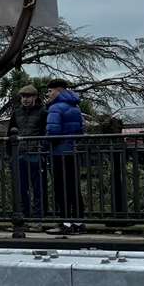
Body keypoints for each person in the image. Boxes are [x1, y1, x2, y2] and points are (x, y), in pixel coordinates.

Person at [45, 78, 85, 233]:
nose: (48, 94)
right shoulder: (75, 107)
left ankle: (65, 223)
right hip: (73, 151)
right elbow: (80, 129)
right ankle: (79, 222)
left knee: (61, 188)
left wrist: (46, 144)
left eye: (50, 91)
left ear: (58, 90)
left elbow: (53, 132)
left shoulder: (55, 108)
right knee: (73, 187)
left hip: (59, 152)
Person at [9, 84, 47, 226]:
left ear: (35, 97)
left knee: (38, 188)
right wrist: (11, 155)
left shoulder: (43, 112)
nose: (25, 99)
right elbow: (10, 133)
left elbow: (45, 133)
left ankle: (38, 218)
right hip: (20, 153)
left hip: (36, 153)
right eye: (23, 97)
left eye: (28, 96)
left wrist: (42, 150)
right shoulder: (16, 112)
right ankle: (24, 216)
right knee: (21, 188)